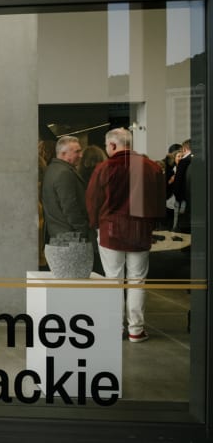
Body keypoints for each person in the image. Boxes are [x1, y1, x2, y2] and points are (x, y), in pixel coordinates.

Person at [86, 128, 165, 343]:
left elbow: (93, 200)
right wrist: (153, 225)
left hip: (110, 230)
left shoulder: (104, 168)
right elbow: (159, 201)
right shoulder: (152, 167)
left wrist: (95, 224)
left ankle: (114, 327)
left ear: (112, 145)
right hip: (140, 231)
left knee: (113, 279)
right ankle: (136, 330)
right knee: (137, 280)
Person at [41, 136, 89, 242]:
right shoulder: (64, 173)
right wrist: (84, 230)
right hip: (71, 239)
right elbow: (70, 207)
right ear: (63, 154)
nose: (81, 155)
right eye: (77, 152)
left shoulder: (51, 170)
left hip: (58, 237)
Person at [173, 139, 193, 234]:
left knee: (183, 227)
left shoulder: (184, 161)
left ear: (184, 149)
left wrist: (177, 196)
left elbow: (178, 182)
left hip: (184, 199)